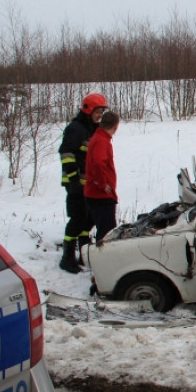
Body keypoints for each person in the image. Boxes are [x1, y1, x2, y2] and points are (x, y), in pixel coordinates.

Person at [58, 92, 107, 272]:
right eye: (98, 111)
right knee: (77, 219)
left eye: (102, 111)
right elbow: (66, 153)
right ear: (88, 110)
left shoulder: (94, 128)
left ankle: (84, 253)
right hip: (76, 184)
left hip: (89, 184)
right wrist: (73, 179)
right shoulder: (75, 129)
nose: (100, 115)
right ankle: (67, 257)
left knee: (88, 219)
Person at [84, 110, 121, 244]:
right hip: (101, 195)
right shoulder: (102, 141)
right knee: (107, 232)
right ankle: (104, 262)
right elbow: (98, 162)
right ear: (115, 126)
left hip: (94, 193)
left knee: (97, 227)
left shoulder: (98, 137)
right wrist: (102, 184)